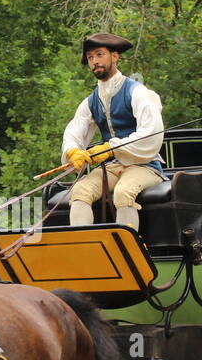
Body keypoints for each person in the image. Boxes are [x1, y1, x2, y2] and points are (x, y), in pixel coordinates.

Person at [61, 32, 166, 230]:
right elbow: (75, 130)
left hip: (144, 165)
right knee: (80, 191)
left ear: (115, 56)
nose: (94, 61)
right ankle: (86, 248)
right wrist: (73, 151)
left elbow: (151, 133)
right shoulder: (91, 101)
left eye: (100, 54)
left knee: (123, 192)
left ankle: (128, 251)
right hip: (112, 168)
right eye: (91, 58)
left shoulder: (138, 92)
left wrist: (110, 148)